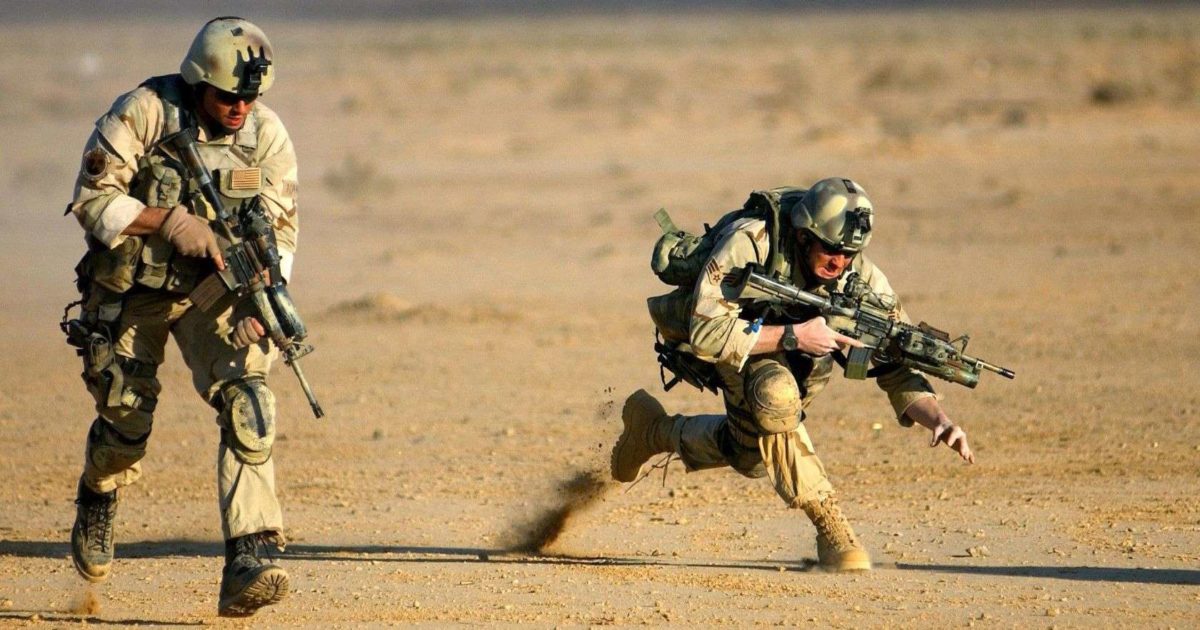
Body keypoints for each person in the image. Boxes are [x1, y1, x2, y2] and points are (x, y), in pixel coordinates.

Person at [612, 177, 974, 571]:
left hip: (798, 366)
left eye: (849, 254)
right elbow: (707, 331)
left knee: (750, 453)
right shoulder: (752, 242)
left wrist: (938, 419)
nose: (839, 263)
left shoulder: (862, 280)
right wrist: (794, 336)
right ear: (803, 236)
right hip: (736, 339)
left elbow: (896, 363)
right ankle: (832, 527)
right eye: (830, 250)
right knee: (775, 397)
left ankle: (655, 431)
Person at [64, 17, 299, 616]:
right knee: (125, 419)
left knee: (250, 401)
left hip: (213, 292)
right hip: (133, 289)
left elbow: (280, 232)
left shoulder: (266, 136)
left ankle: (250, 556)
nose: (240, 108)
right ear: (198, 84)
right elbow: (91, 200)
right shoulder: (144, 112)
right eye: (227, 97)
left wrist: (264, 305)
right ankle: (99, 490)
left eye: (250, 97)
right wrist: (167, 221)